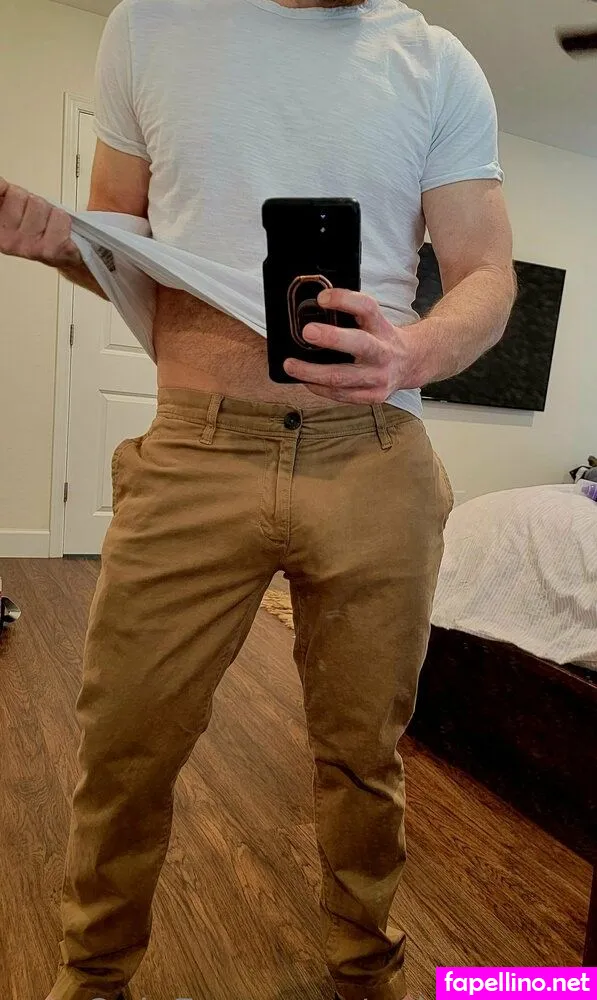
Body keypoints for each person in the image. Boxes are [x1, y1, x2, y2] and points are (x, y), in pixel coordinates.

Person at [0, 0, 515, 997]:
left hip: (375, 455)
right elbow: (121, 246)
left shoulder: (438, 63)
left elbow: (487, 275)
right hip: (196, 447)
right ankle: (92, 976)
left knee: (365, 754)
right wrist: (60, 241)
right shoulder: (149, 27)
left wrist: (414, 350)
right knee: (125, 744)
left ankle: (365, 970)